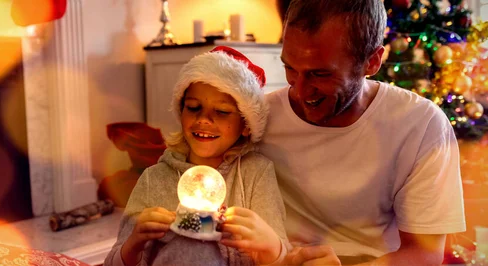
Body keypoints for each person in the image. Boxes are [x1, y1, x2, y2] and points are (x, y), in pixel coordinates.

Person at [258, 0, 466, 265]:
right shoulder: (257, 117)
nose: (299, 91)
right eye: (290, 68)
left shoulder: (421, 124)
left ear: (372, 62)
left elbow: (425, 253)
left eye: (320, 74)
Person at [104, 46, 290, 266]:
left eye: (221, 112)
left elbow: (283, 257)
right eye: (193, 107)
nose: (204, 119)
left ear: (246, 125)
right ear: (180, 111)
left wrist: (271, 245)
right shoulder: (153, 179)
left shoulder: (256, 173)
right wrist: (134, 243)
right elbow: (112, 263)